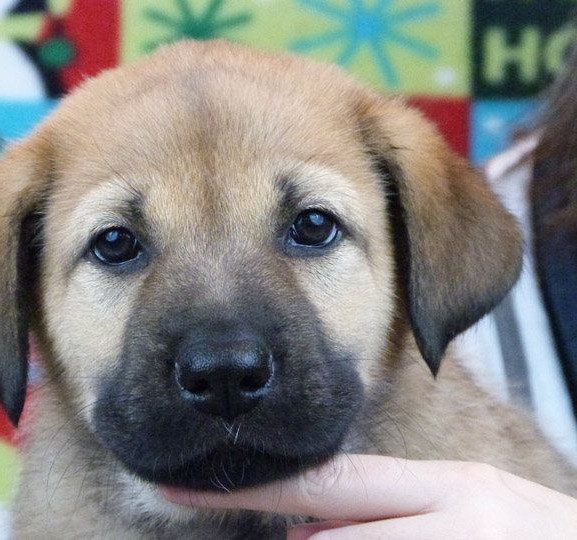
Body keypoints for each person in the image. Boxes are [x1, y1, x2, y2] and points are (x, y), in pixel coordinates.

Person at [163, 38, 577, 540]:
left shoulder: (436, 232)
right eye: (116, 246)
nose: (225, 359)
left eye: (314, 227)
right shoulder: (447, 217)